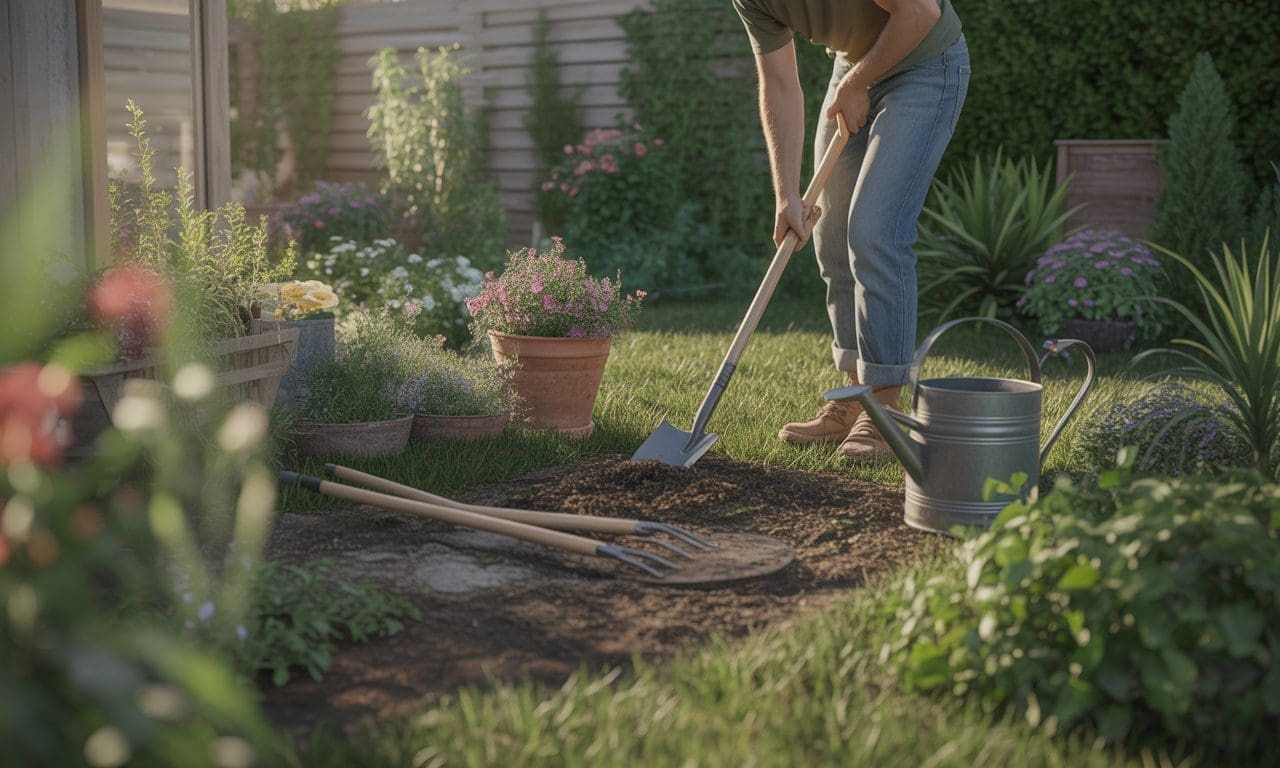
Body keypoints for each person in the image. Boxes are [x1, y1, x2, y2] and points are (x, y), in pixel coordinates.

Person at [731, 0, 969, 459]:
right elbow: (779, 83)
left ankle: (886, 411)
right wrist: (787, 194)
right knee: (830, 235)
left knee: (875, 231)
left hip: (925, 63)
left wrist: (856, 83)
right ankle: (856, 394)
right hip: (856, 65)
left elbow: (921, 14)